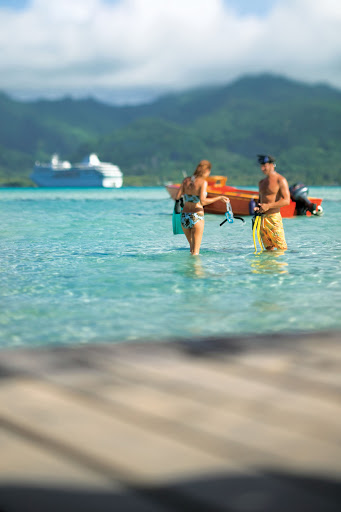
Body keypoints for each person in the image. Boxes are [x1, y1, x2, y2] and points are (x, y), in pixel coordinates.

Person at [175, 160, 229, 255]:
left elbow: (177, 197)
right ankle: (196, 270)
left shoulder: (186, 180)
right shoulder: (203, 182)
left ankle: (189, 269)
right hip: (197, 216)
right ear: (207, 170)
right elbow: (203, 201)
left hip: (184, 217)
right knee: (195, 253)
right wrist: (219, 198)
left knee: (191, 250)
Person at [254, 154, 290, 250]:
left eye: (265, 166)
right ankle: (268, 265)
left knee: (281, 248)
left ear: (271, 165)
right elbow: (260, 199)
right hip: (262, 219)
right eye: (261, 166)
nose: (262, 168)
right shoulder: (261, 182)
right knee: (268, 250)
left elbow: (287, 200)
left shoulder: (280, 180)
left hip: (274, 218)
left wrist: (269, 206)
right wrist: (257, 207)